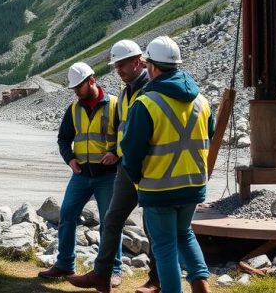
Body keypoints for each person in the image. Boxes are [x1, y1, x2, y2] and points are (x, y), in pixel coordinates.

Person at [120, 36, 214, 293]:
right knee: (184, 234)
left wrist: (138, 178)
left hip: (158, 188)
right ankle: (200, 284)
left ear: (151, 66)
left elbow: (131, 150)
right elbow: (210, 136)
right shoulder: (202, 102)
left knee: (164, 248)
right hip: (194, 185)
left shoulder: (146, 103)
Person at [68, 40, 159, 293]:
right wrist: (119, 154)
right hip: (127, 168)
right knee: (112, 219)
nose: (118, 69)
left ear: (138, 61)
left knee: (152, 226)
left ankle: (156, 280)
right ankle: (102, 274)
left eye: (122, 65)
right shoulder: (126, 91)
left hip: (150, 168)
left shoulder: (151, 89)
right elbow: (123, 130)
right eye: (116, 65)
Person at [38, 62, 120, 280]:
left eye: (78, 87)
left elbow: (127, 136)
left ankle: (113, 270)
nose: (75, 92)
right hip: (81, 174)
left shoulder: (114, 105)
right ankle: (65, 264)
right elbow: (63, 139)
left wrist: (116, 153)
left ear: (91, 80)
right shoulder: (74, 109)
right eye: (73, 88)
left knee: (110, 223)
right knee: (67, 215)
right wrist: (70, 159)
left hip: (108, 176)